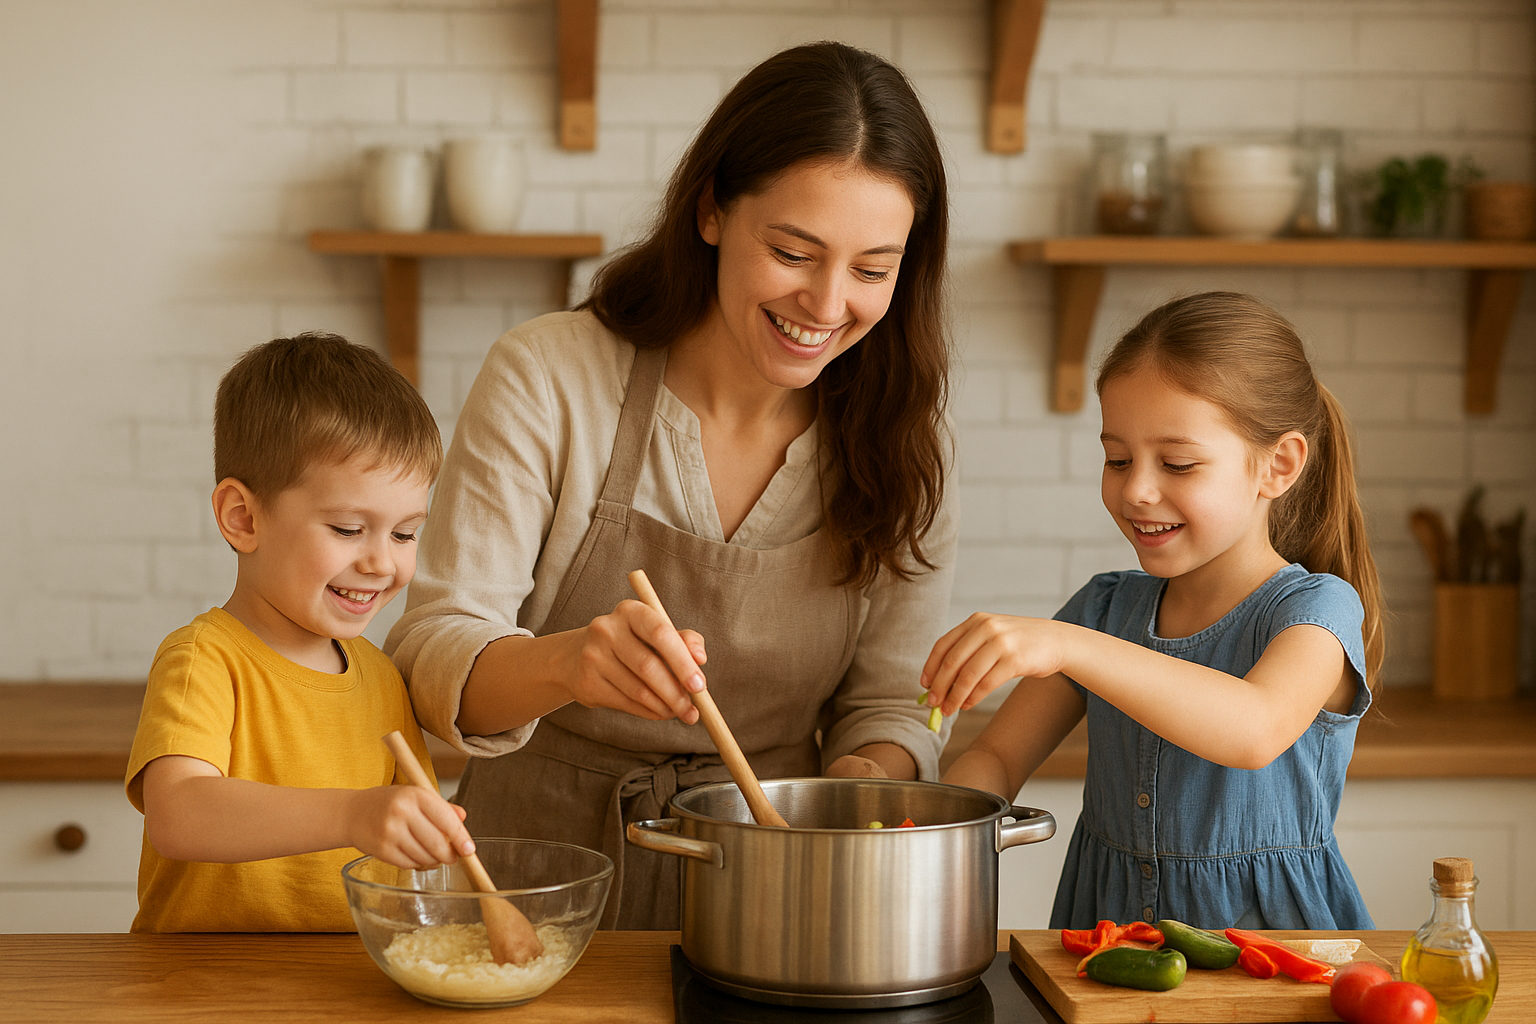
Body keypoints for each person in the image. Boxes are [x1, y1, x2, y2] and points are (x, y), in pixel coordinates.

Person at [387, 41, 957, 929]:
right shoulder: (550, 376)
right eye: (793, 252)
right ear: (710, 211)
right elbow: (431, 656)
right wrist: (567, 664)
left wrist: (854, 787)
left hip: (773, 893)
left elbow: (888, 704)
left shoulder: (903, 436)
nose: (826, 304)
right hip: (533, 885)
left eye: (872, 270)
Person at [927, 292, 1383, 931]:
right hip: (1107, 946)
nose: (1136, 489)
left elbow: (1253, 729)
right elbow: (998, 758)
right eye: (1117, 459)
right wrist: (937, 824)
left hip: (1276, 954)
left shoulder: (1316, 609)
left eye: (1177, 464)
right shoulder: (1104, 608)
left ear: (1277, 466)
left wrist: (1068, 644)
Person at [125, 333, 474, 932]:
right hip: (197, 980)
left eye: (404, 534)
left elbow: (405, 865)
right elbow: (178, 814)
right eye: (347, 529)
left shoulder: (381, 677)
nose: (382, 563)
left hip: (343, 976)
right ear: (243, 518)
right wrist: (354, 815)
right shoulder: (204, 659)